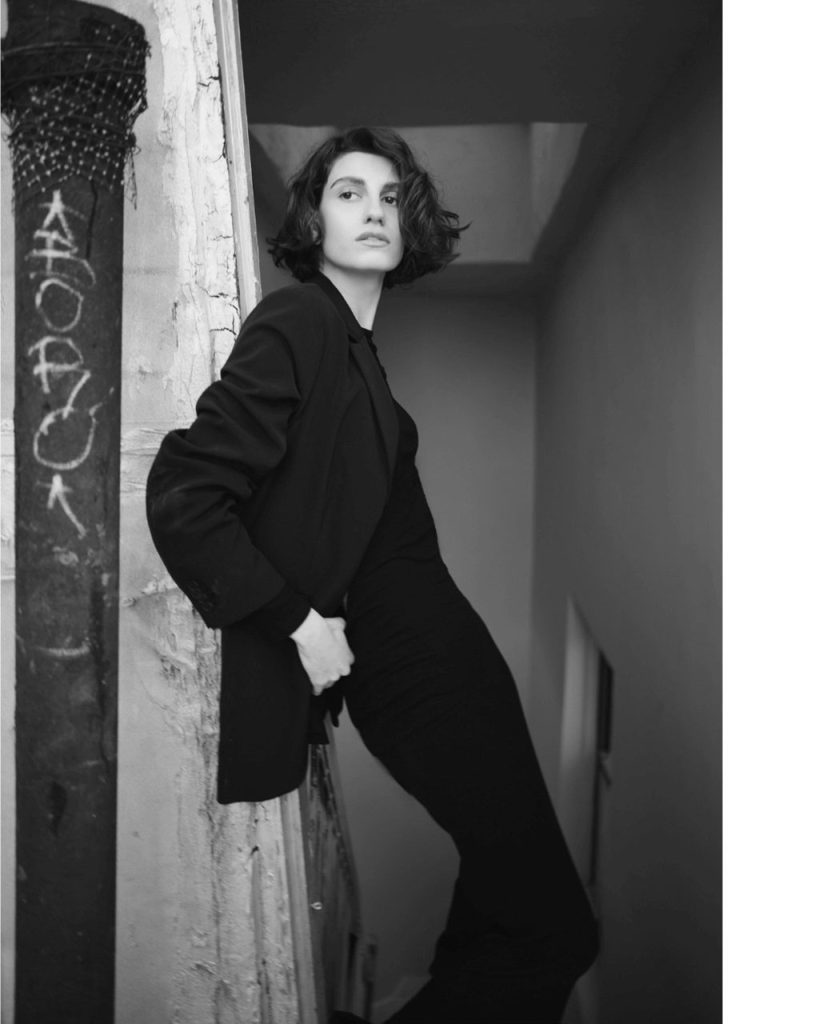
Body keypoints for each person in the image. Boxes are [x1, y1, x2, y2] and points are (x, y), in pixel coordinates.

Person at [146, 127, 598, 1023]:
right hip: (412, 667)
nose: (374, 211)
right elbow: (186, 495)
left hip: (447, 658)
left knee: (501, 900)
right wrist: (295, 620)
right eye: (348, 193)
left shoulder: (353, 345)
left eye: (390, 197)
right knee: (555, 934)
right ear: (312, 220)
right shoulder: (302, 321)